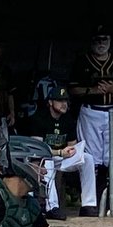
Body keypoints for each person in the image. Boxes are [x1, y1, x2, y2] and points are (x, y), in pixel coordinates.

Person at [69, 26, 113, 205]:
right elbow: (73, 89)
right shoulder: (82, 62)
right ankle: (92, 201)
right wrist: (93, 90)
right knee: (91, 159)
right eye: (97, 40)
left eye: (104, 39)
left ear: (110, 41)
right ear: (91, 42)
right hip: (91, 112)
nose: (101, 43)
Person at [16, 84, 99, 218]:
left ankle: (88, 205)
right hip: (42, 159)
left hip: (61, 158)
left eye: (65, 100)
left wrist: (71, 152)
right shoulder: (39, 118)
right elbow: (38, 149)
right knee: (47, 162)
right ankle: (52, 207)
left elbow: (72, 145)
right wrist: (60, 152)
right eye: (60, 101)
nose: (64, 104)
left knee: (88, 158)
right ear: (50, 102)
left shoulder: (68, 119)